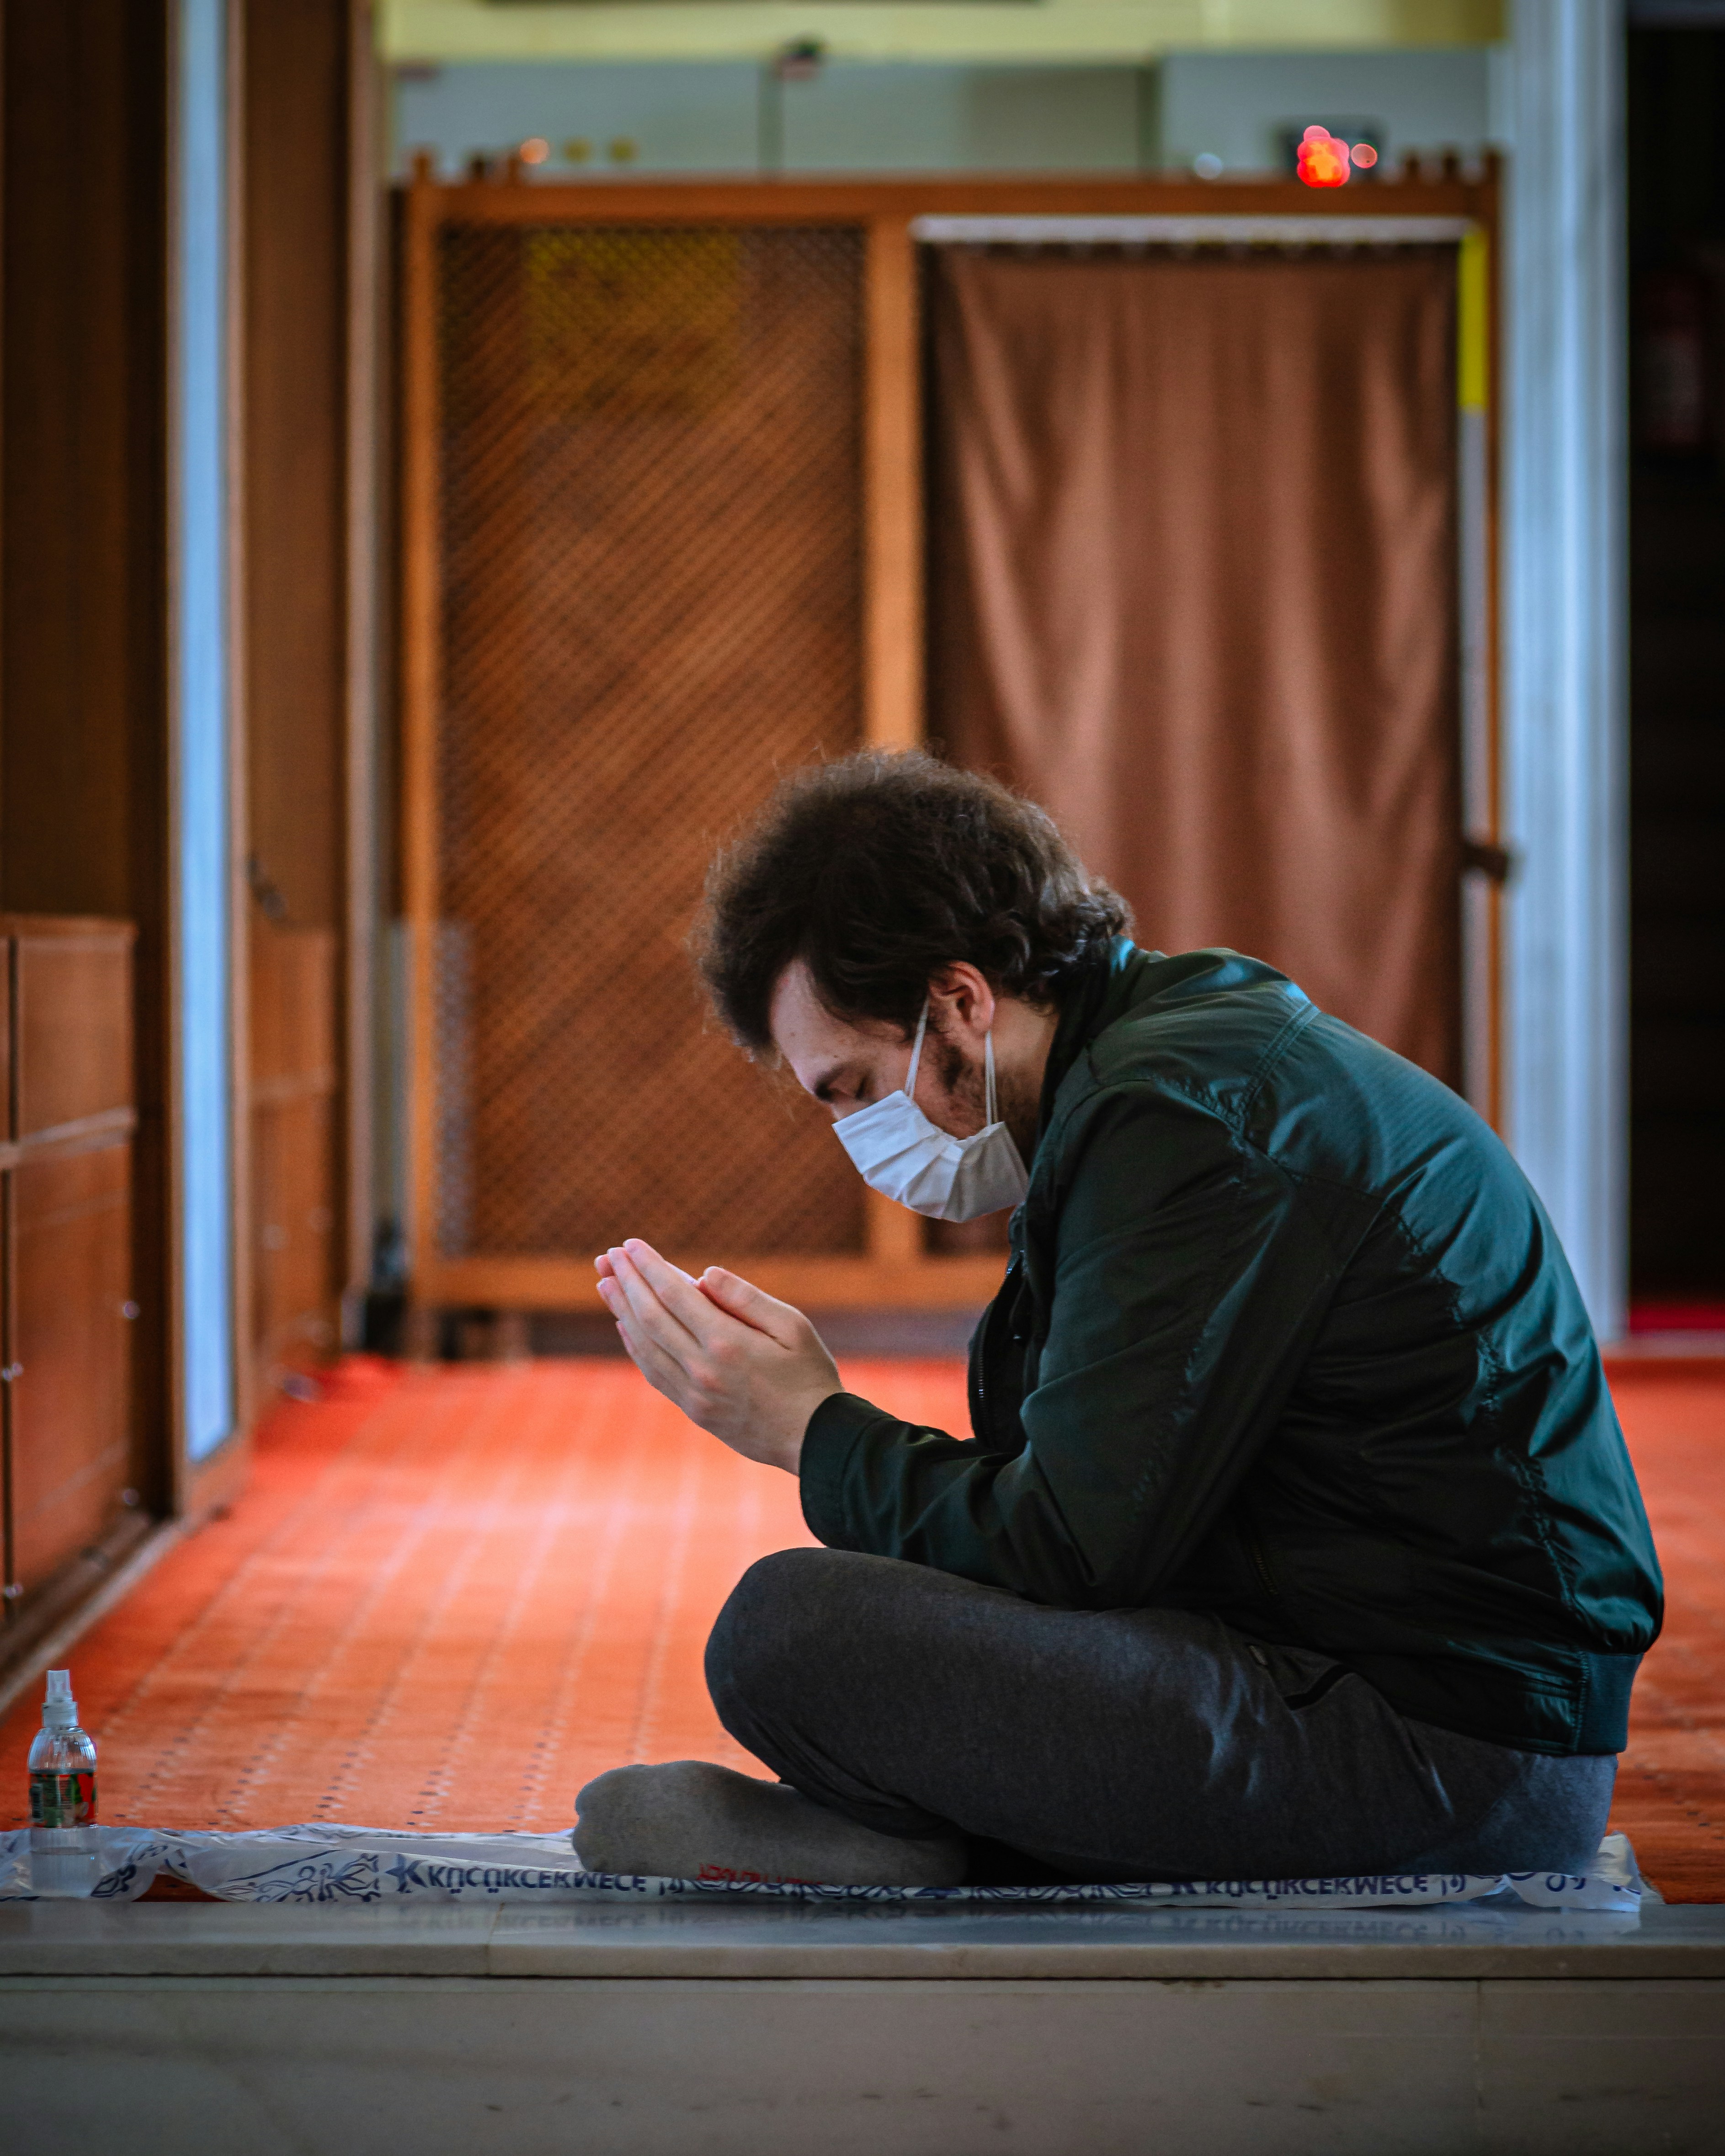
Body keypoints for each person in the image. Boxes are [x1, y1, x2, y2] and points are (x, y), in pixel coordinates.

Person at [578, 751, 1662, 1889]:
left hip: (1446, 1758)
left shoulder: (1182, 1122)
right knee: (845, 1623)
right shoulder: (1151, 1075)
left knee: (787, 1633)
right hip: (1363, 1685)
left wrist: (812, 1429)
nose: (855, 1136)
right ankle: (931, 1834)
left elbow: (1070, 1549)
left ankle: (918, 1844)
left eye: (852, 1087)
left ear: (957, 1000)